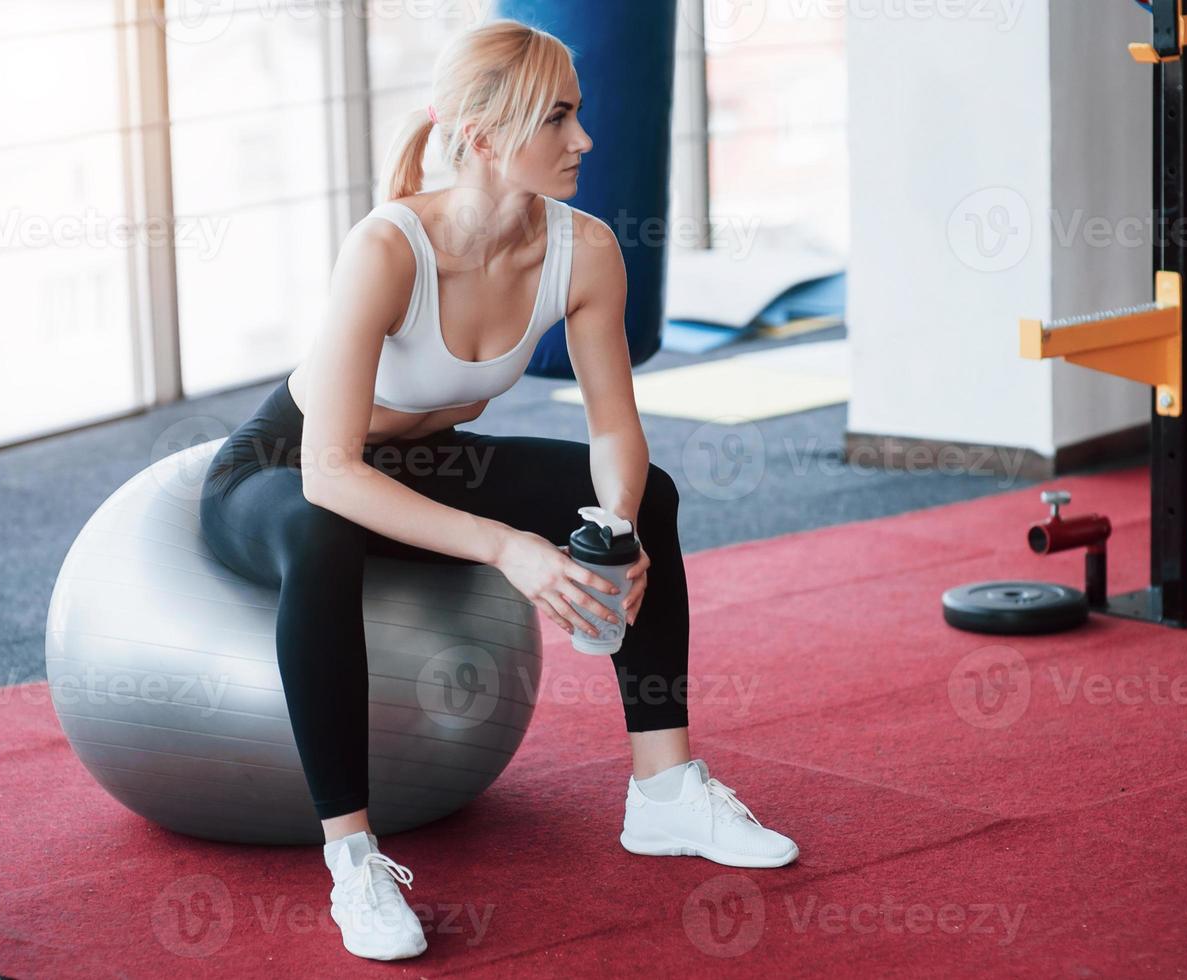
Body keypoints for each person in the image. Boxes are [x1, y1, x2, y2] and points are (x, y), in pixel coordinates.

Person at [198, 17, 797, 963]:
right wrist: (507, 547)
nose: (585, 140)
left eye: (582, 114)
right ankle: (353, 860)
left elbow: (612, 429)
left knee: (659, 494)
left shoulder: (584, 248)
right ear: (482, 137)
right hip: (286, 470)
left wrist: (615, 528)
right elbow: (331, 470)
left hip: (423, 466)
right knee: (322, 536)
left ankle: (665, 791)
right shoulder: (389, 248)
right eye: (558, 119)